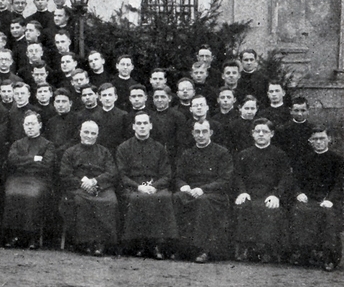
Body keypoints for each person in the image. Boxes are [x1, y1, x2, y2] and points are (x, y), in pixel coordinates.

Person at [116, 112, 176, 259]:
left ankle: (157, 244)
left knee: (164, 197)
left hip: (155, 186)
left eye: (145, 124)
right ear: (133, 126)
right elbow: (121, 175)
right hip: (132, 187)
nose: (142, 127)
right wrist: (138, 186)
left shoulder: (159, 148)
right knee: (137, 199)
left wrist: (155, 186)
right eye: (139, 124)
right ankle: (139, 244)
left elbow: (167, 174)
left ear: (150, 126)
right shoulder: (124, 148)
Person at [173, 120, 233, 263]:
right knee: (176, 197)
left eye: (204, 131)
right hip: (192, 191)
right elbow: (179, 177)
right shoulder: (187, 154)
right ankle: (181, 248)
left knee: (202, 201)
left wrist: (203, 189)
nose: (201, 135)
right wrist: (184, 186)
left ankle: (203, 249)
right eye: (197, 132)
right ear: (193, 134)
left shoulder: (222, 153)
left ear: (210, 133)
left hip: (214, 194)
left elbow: (225, 180)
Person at [232, 118, 291, 263]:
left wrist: (276, 195)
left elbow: (285, 178)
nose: (260, 134)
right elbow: (237, 176)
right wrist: (242, 191)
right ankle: (245, 248)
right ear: (252, 134)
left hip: (269, 193)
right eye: (257, 131)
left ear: (271, 134)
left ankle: (267, 250)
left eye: (264, 131)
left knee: (270, 208)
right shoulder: (244, 154)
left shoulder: (280, 155)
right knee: (243, 207)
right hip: (250, 193)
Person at [59, 120, 118, 255]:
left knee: (110, 202)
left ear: (97, 135)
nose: (89, 136)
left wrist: (95, 181)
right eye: (86, 132)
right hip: (77, 187)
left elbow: (111, 172)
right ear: (80, 133)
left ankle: (101, 243)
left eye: (93, 133)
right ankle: (84, 242)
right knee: (80, 202)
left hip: (100, 187)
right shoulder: (70, 152)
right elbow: (65, 174)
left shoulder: (104, 152)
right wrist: (82, 184)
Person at [288, 125, 342, 271]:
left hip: (330, 199)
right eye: (315, 139)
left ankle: (329, 257)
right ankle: (303, 253)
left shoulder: (337, 160)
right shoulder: (304, 159)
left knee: (329, 215)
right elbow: (295, 180)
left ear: (329, 139)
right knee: (298, 211)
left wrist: (330, 199)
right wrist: (299, 193)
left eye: (322, 139)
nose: (319, 142)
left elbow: (339, 184)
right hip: (308, 198)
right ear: (310, 141)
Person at [3, 111, 57, 249]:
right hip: (17, 178)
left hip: (38, 179)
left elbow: (47, 164)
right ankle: (14, 235)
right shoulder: (17, 143)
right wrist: (34, 159)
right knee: (11, 194)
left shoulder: (48, 144)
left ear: (39, 125)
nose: (30, 127)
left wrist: (23, 161)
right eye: (27, 124)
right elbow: (12, 161)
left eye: (33, 124)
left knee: (32, 196)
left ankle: (32, 236)